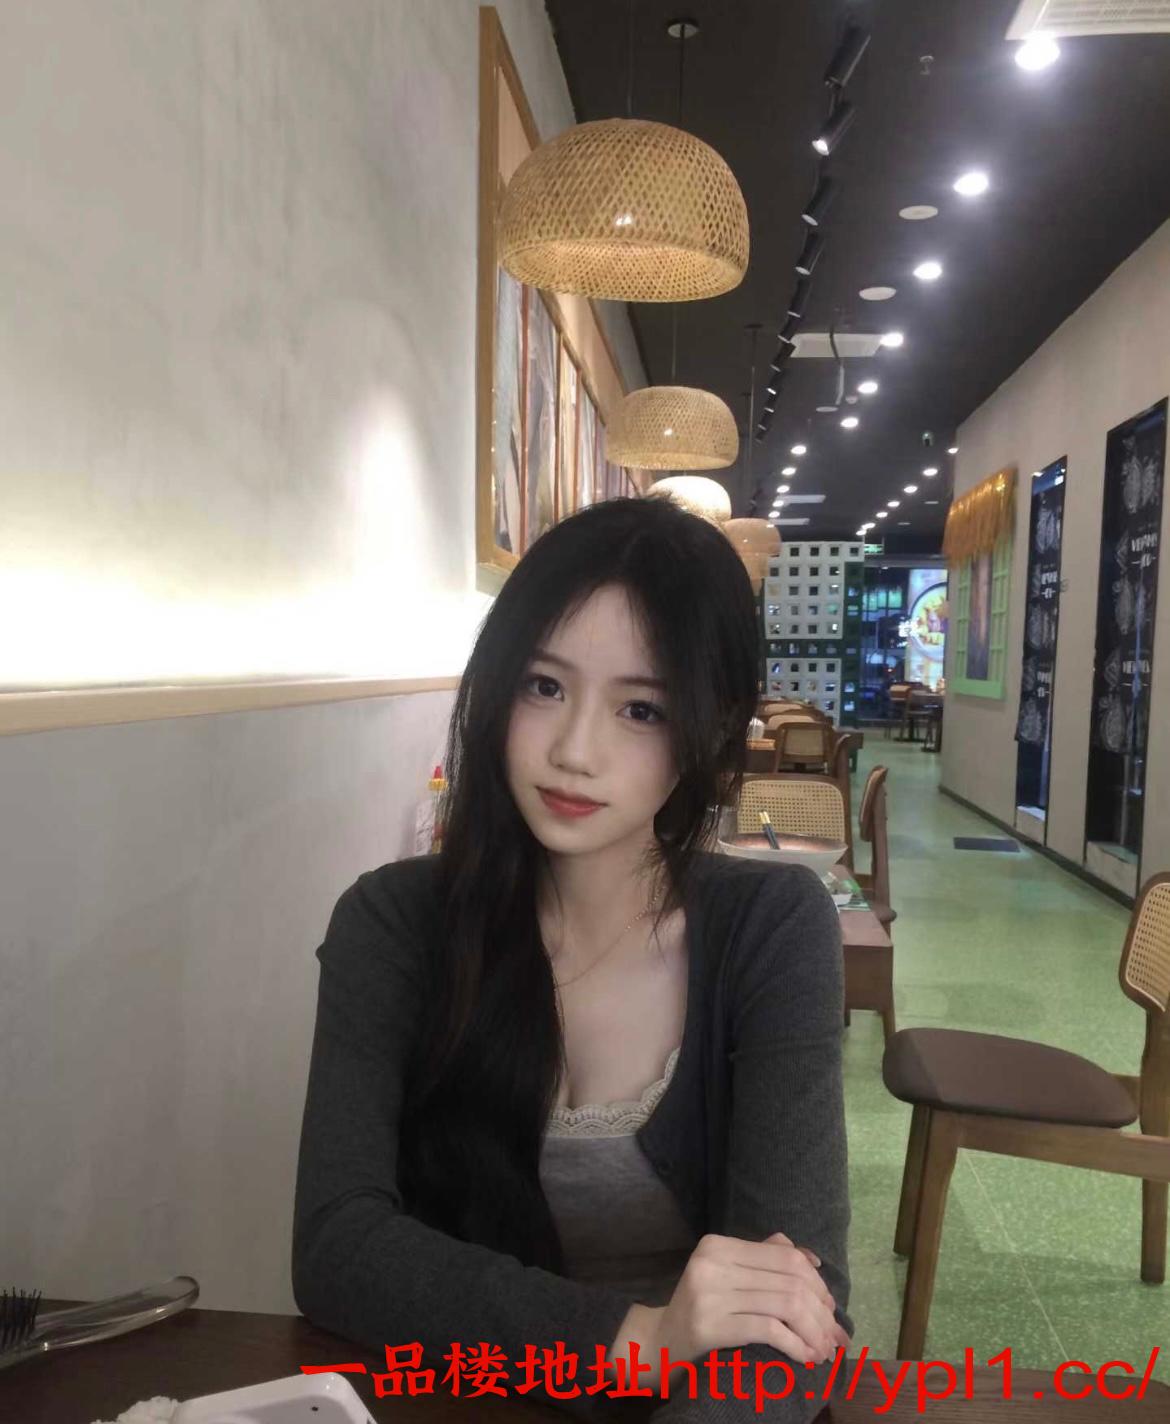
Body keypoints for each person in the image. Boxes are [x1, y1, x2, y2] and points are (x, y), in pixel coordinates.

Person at [292, 496, 852, 1421]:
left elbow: (791, 1309)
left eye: (641, 708)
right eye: (544, 687)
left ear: (709, 729)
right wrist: (636, 1342)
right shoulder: (392, 923)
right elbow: (339, 1248)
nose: (574, 751)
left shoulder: (771, 929)